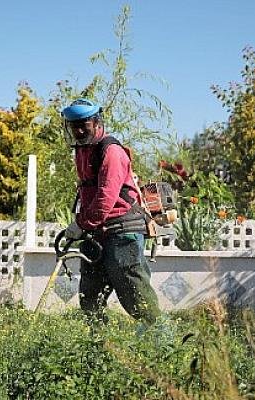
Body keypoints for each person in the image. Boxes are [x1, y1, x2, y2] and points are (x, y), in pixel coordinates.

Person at [61, 98, 161, 324]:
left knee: (137, 298)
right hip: (97, 233)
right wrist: (84, 224)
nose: (77, 130)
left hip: (122, 231)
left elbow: (106, 198)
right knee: (90, 300)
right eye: (73, 125)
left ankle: (163, 346)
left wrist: (81, 224)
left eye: (83, 125)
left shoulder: (111, 152)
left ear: (97, 122)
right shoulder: (82, 150)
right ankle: (99, 350)